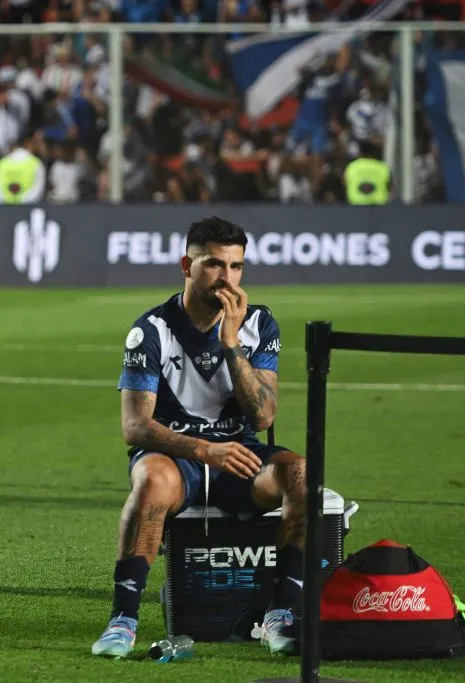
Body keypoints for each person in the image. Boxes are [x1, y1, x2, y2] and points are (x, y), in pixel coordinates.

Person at [91, 217, 307, 658]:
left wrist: (231, 342)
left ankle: (280, 615)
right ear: (186, 265)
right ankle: (123, 620)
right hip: (178, 457)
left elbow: (263, 415)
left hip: (241, 456)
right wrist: (203, 448)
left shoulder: (260, 324)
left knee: (302, 475)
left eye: (236, 267)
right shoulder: (150, 330)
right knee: (150, 481)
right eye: (214, 265)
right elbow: (135, 427)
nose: (227, 278)